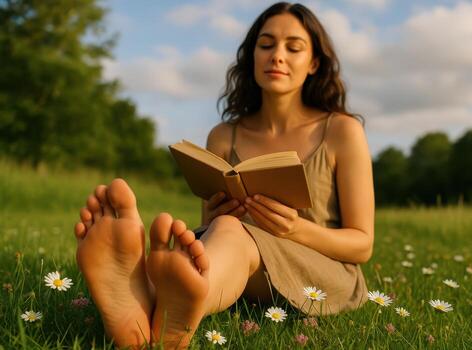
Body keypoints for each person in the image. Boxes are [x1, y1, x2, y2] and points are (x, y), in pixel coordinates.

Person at [73, 2, 374, 349]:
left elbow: (362, 245)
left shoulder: (341, 131)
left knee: (226, 237)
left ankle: (148, 292)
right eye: (266, 44)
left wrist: (294, 229)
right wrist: (218, 216)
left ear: (314, 63)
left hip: (319, 274)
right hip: (238, 264)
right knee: (223, 231)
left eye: (293, 47)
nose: (277, 55)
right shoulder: (223, 136)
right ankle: (155, 308)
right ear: (252, 56)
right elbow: (213, 227)